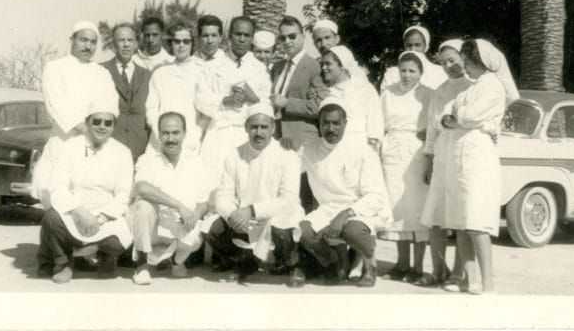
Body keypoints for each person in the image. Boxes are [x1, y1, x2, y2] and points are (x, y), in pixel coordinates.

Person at [441, 38, 519, 295]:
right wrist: (459, 117)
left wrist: (461, 117)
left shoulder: (493, 86)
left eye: (469, 63)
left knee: (477, 222)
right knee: (462, 223)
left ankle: (488, 283)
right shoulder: (470, 89)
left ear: (482, 62)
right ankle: (469, 280)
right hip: (461, 156)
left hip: (479, 159)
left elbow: (467, 115)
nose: (465, 69)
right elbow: (448, 115)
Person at [205, 103, 303, 286]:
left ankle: (291, 264)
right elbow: (223, 196)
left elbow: (288, 202)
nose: (259, 133)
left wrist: (252, 210)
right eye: (254, 127)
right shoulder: (235, 155)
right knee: (214, 231)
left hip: (277, 216)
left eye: (264, 127)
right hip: (246, 219)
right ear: (246, 128)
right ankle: (244, 261)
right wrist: (232, 215)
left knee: (280, 229)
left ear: (273, 128)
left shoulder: (287, 155)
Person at [36, 100, 133, 284]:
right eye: (97, 121)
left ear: (113, 127)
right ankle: (64, 262)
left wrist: (101, 218)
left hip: (106, 217)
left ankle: (103, 255)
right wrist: (80, 212)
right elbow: (58, 187)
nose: (102, 127)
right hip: (74, 213)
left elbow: (123, 194)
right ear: (87, 122)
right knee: (51, 218)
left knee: (119, 241)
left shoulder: (122, 152)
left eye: (108, 123)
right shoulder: (69, 148)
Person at [297, 97, 390, 287]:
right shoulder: (310, 149)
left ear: (345, 123)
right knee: (303, 231)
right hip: (328, 209)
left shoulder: (362, 151)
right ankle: (335, 262)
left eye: (336, 123)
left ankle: (370, 265)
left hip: (360, 209)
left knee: (353, 231)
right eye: (325, 123)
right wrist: (283, 146)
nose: (331, 129)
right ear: (319, 124)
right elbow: (288, 166)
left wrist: (345, 214)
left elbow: (376, 196)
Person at [33, 21, 118, 208]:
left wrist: (96, 134)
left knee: (90, 197)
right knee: (57, 197)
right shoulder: (55, 68)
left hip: (94, 144)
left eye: (93, 42)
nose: (88, 46)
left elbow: (110, 106)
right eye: (83, 40)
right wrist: (87, 130)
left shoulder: (102, 73)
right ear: (72, 40)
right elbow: (57, 106)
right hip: (65, 139)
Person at [129, 112, 212, 285]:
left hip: (180, 227)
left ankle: (176, 261)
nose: (171, 138)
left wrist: (194, 216)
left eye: (176, 133)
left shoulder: (196, 162)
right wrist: (178, 205)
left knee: (196, 239)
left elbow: (203, 202)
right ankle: (143, 266)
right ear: (159, 135)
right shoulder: (148, 159)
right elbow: (141, 188)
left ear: (184, 133)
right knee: (143, 206)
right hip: (153, 228)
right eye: (166, 133)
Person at [419, 39, 472, 288]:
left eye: (453, 60)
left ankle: (459, 273)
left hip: (465, 157)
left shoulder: (476, 86)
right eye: (443, 63)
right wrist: (428, 159)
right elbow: (432, 128)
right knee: (436, 217)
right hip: (442, 156)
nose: (449, 66)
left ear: (464, 57)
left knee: (462, 218)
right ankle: (438, 270)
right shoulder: (439, 90)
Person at [378, 51, 433, 284]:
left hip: (416, 152)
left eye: (412, 71)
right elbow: (379, 125)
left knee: (417, 212)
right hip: (392, 152)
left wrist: (428, 152)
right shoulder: (387, 94)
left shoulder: (429, 94)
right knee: (398, 212)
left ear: (421, 72)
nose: (407, 75)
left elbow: (433, 125)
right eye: (403, 70)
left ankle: (418, 267)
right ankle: (401, 264)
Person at [196, 16, 271, 183]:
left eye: (246, 35)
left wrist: (254, 99)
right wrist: (225, 101)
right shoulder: (212, 66)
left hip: (246, 135)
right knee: (213, 183)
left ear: (252, 38)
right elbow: (201, 99)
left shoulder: (259, 69)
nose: (242, 39)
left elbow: (268, 106)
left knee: (245, 182)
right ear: (229, 35)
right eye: (238, 34)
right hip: (219, 134)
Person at [145, 22, 206, 154]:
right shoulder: (160, 73)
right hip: (161, 140)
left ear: (192, 43)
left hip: (191, 140)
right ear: (171, 44)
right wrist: (160, 135)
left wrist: (195, 136)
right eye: (177, 41)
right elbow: (151, 108)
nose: (181, 45)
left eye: (186, 41)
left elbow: (207, 111)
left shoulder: (202, 72)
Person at [310, 45, 383, 151]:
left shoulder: (363, 87)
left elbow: (375, 119)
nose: (323, 68)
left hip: (360, 147)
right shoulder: (325, 91)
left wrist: (372, 147)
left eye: (328, 64)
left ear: (342, 66)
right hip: (333, 149)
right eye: (322, 64)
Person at [269, 15, 322, 149]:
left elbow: (320, 105)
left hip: (303, 140)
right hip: (276, 137)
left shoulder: (314, 66)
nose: (287, 41)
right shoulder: (277, 66)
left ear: (303, 37)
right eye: (283, 37)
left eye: (292, 36)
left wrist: (287, 103)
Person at [101, 23, 151, 162]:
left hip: (140, 148)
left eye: (130, 40)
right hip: (109, 146)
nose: (126, 45)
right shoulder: (100, 71)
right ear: (113, 44)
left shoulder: (147, 75)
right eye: (121, 40)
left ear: (136, 44)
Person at [381, 25, 447, 90]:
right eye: (409, 45)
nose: (413, 49)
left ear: (426, 46)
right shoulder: (392, 73)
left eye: (417, 45)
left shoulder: (440, 72)